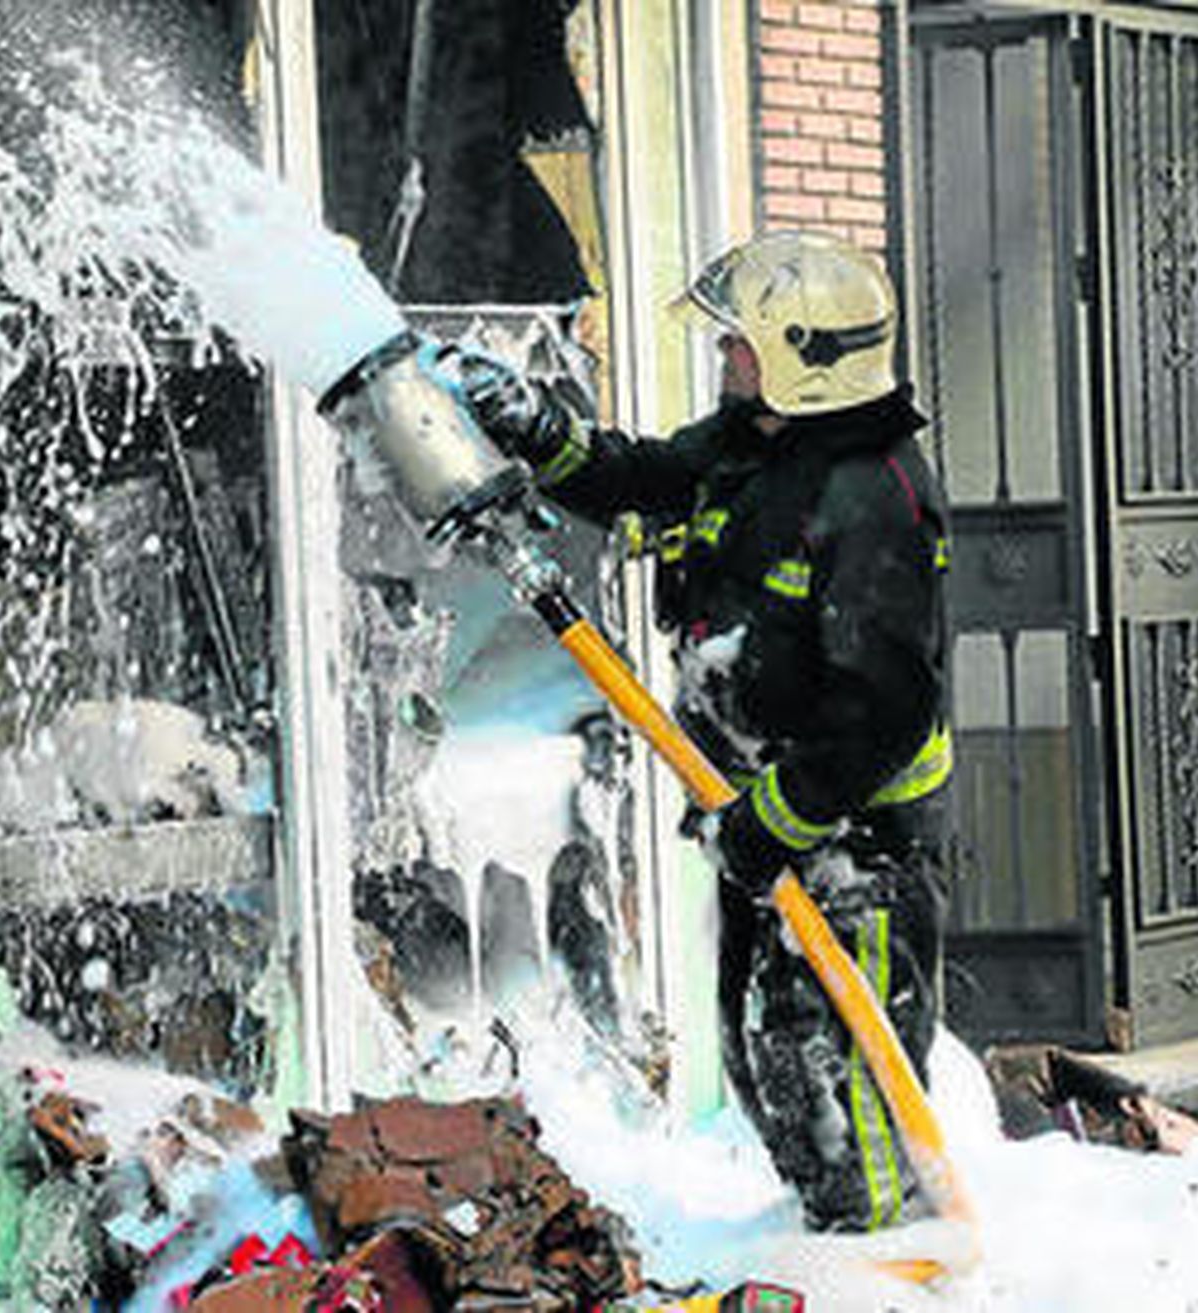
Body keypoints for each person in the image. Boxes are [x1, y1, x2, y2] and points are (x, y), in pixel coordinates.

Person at [462, 230, 953, 1233]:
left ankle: (891, 1265)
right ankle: (825, 1242)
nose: (724, 357)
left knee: (843, 1084)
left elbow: (885, 712)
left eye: (740, 343)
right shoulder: (748, 445)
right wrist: (531, 424)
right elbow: (636, 476)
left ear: (804, 357)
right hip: (759, 826)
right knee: (763, 1057)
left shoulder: (873, 496)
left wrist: (775, 816)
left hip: (850, 848)